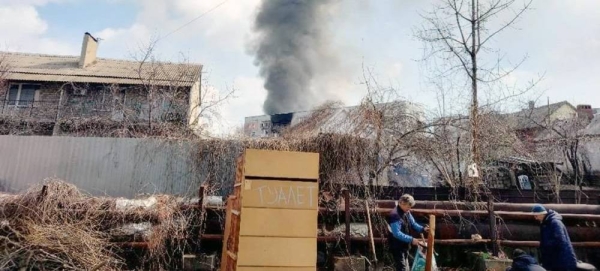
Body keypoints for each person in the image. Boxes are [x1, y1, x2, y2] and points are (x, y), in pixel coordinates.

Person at [387, 194, 429, 271]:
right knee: (402, 267)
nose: (409, 208)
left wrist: (423, 229)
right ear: (401, 203)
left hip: (404, 244)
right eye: (408, 206)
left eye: (410, 206)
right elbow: (397, 233)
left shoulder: (407, 212)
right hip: (396, 245)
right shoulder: (394, 215)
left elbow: (413, 223)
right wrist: (411, 239)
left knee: (406, 265)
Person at [532, 204, 577, 271]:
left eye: (536, 216)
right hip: (555, 259)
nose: (535, 218)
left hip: (561, 260)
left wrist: (546, 246)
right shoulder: (546, 223)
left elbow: (560, 240)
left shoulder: (554, 223)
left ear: (541, 214)